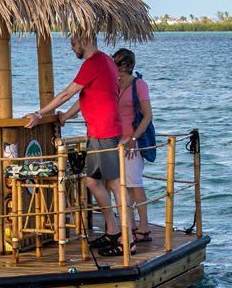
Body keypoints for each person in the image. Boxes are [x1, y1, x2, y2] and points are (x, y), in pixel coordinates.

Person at [24, 35, 123, 254]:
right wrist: (66, 116)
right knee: (97, 182)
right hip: (102, 129)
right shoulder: (105, 61)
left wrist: (40, 113)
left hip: (103, 130)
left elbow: (67, 93)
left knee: (111, 184)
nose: (72, 48)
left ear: (85, 40)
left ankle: (125, 238)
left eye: (73, 44)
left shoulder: (94, 62)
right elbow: (85, 97)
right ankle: (114, 231)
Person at [112, 48, 153, 244]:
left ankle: (144, 226)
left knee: (135, 184)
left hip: (132, 142)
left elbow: (147, 115)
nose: (116, 68)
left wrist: (134, 139)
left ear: (127, 65)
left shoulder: (139, 85)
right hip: (117, 140)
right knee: (124, 186)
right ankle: (131, 225)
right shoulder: (114, 84)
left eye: (118, 64)